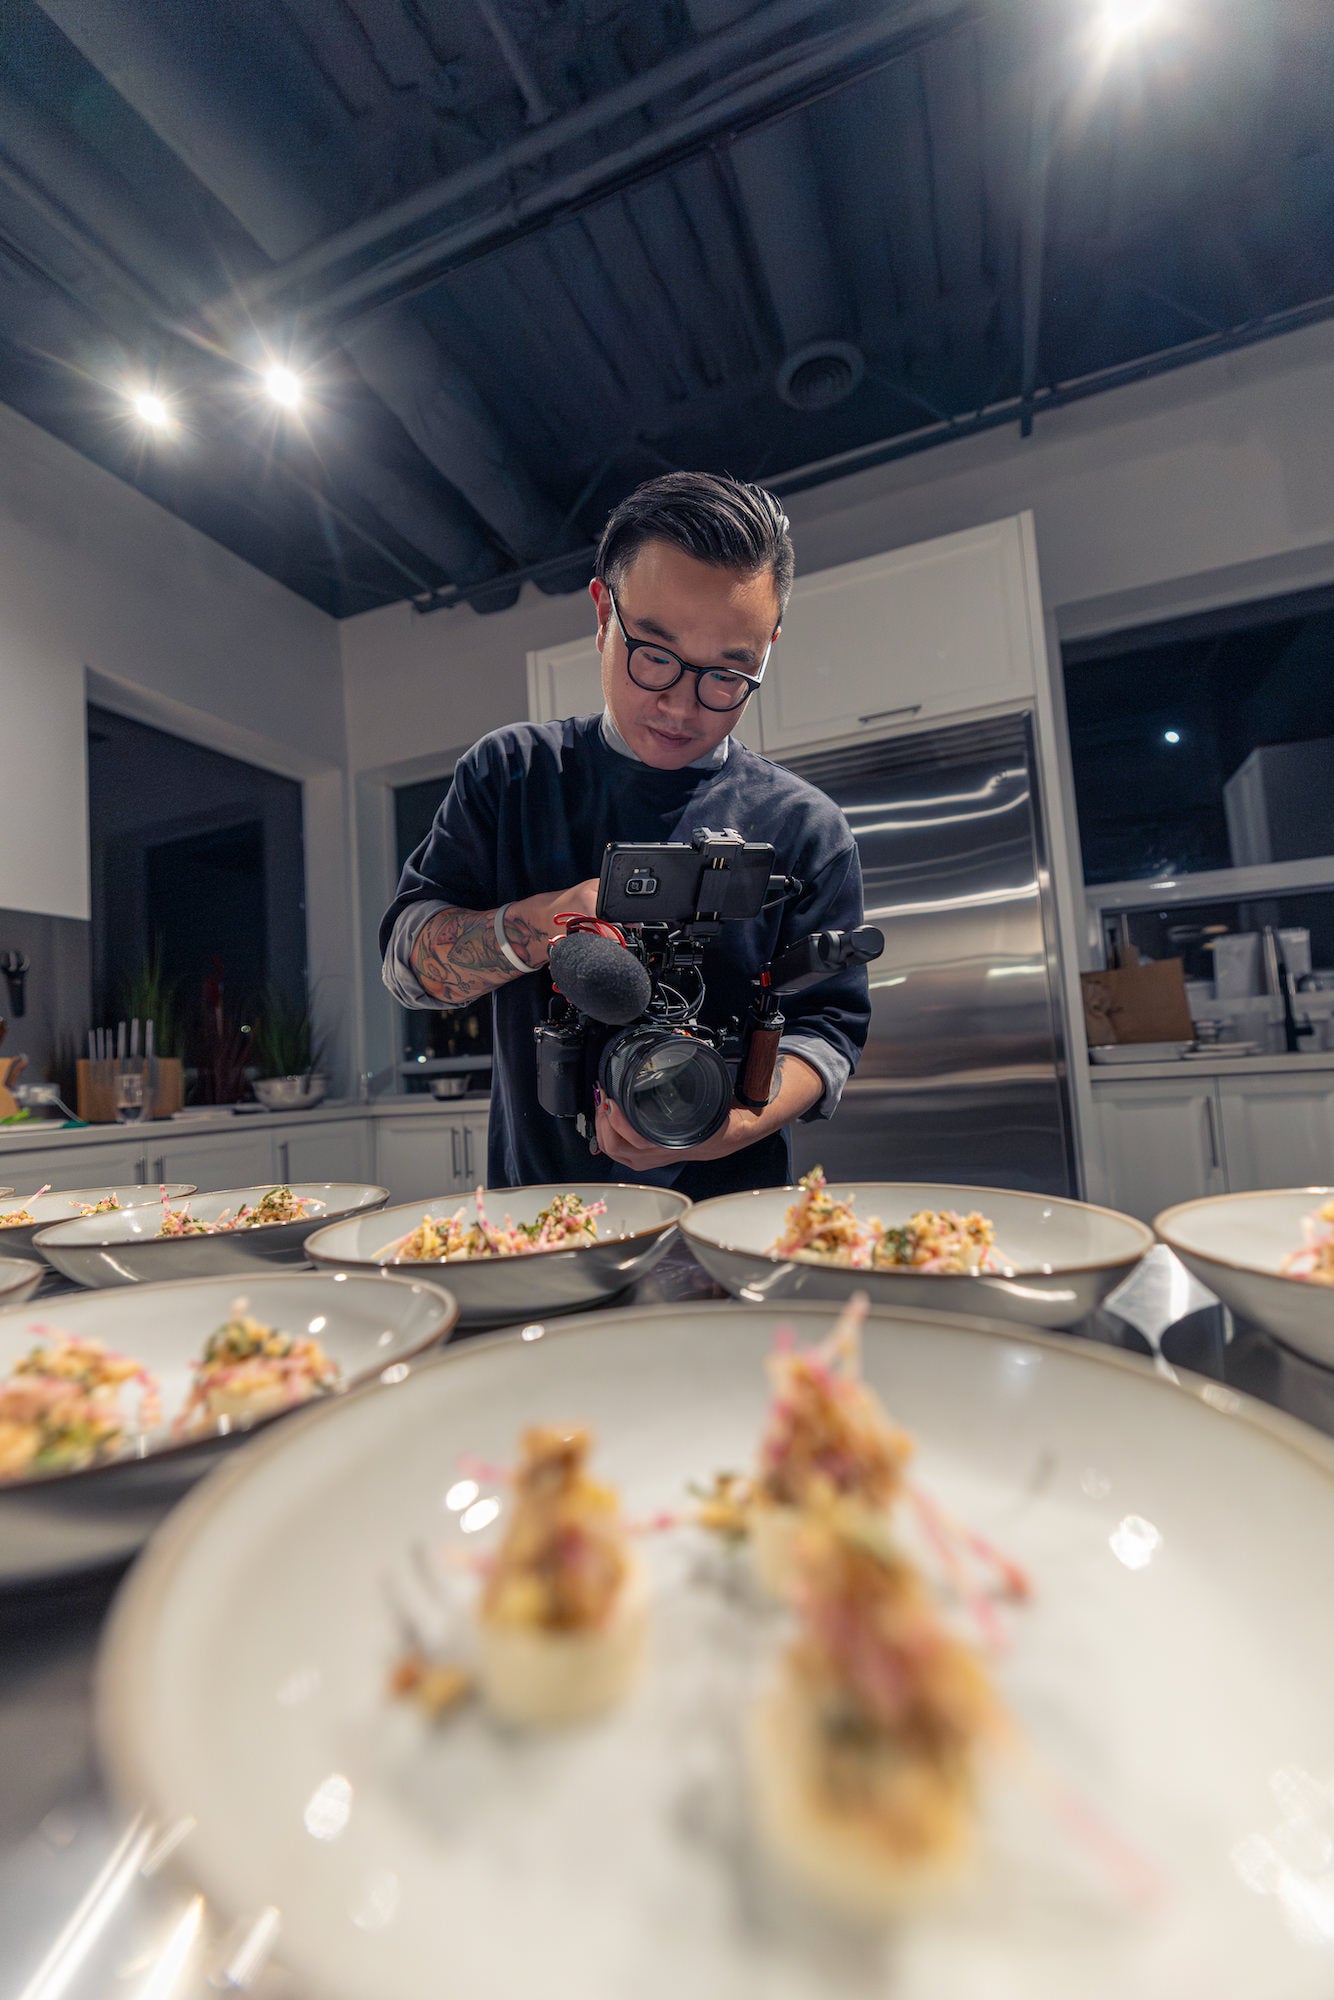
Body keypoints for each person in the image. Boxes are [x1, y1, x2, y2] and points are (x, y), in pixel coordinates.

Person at [381, 471, 871, 1201]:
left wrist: (727, 1128)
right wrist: (540, 929)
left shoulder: (808, 829)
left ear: (767, 648)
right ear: (603, 610)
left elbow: (827, 1029)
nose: (681, 704)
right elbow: (407, 966)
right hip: (541, 1216)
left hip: (732, 1226)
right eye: (656, 654)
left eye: (730, 674)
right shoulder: (511, 775)